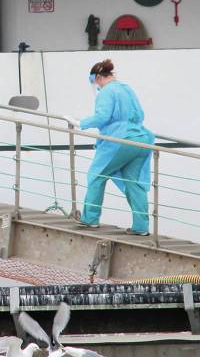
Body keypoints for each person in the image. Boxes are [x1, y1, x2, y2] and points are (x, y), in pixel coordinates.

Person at [64, 59, 153, 235]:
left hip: (120, 138)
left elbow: (102, 116)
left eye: (94, 81)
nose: (95, 85)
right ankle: (141, 227)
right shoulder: (126, 88)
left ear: (98, 77)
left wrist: (80, 123)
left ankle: (90, 219)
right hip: (142, 138)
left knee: (97, 175)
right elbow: (140, 113)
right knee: (134, 183)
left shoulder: (106, 91)